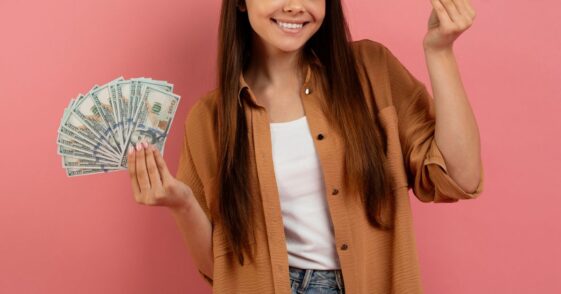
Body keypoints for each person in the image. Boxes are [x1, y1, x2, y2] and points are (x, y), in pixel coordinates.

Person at [126, 0, 484, 293]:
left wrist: (439, 52)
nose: (296, 6)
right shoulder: (209, 119)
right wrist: (183, 203)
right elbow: (221, 270)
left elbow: (461, 177)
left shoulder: (371, 71)